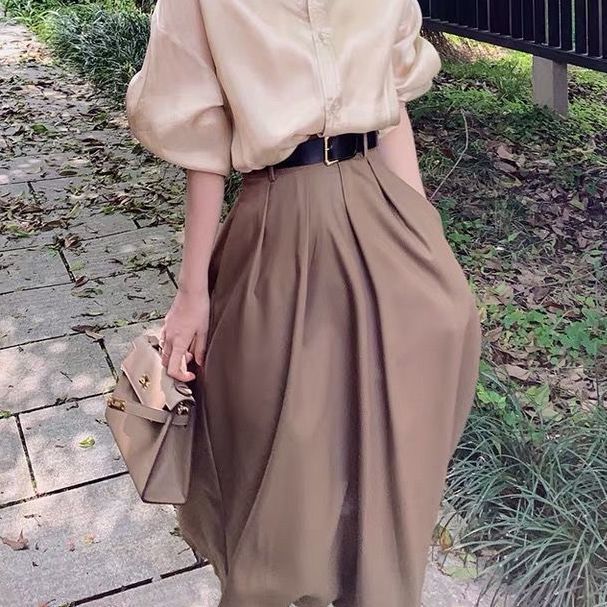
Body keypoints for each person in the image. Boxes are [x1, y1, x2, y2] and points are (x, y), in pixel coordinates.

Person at [125, 0, 482, 605]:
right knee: (280, 444)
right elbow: (204, 148)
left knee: (390, 433)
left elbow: (393, 107)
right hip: (279, 221)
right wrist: (192, 293)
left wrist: (428, 235)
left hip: (383, 204)